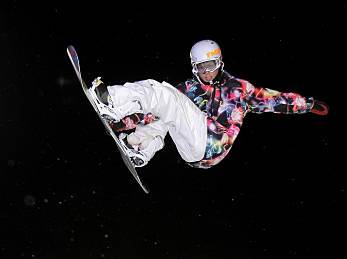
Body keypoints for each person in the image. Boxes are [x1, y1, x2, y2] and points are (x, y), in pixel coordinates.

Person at [88, 39, 328, 169]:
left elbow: (275, 100)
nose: (206, 72)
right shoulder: (188, 90)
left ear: (220, 63)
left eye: (210, 66)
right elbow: (154, 112)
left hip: (214, 142)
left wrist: (308, 104)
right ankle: (139, 147)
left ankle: (112, 99)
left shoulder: (239, 89)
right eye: (200, 68)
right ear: (194, 68)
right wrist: (124, 123)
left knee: (163, 91)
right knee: (167, 110)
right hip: (193, 156)